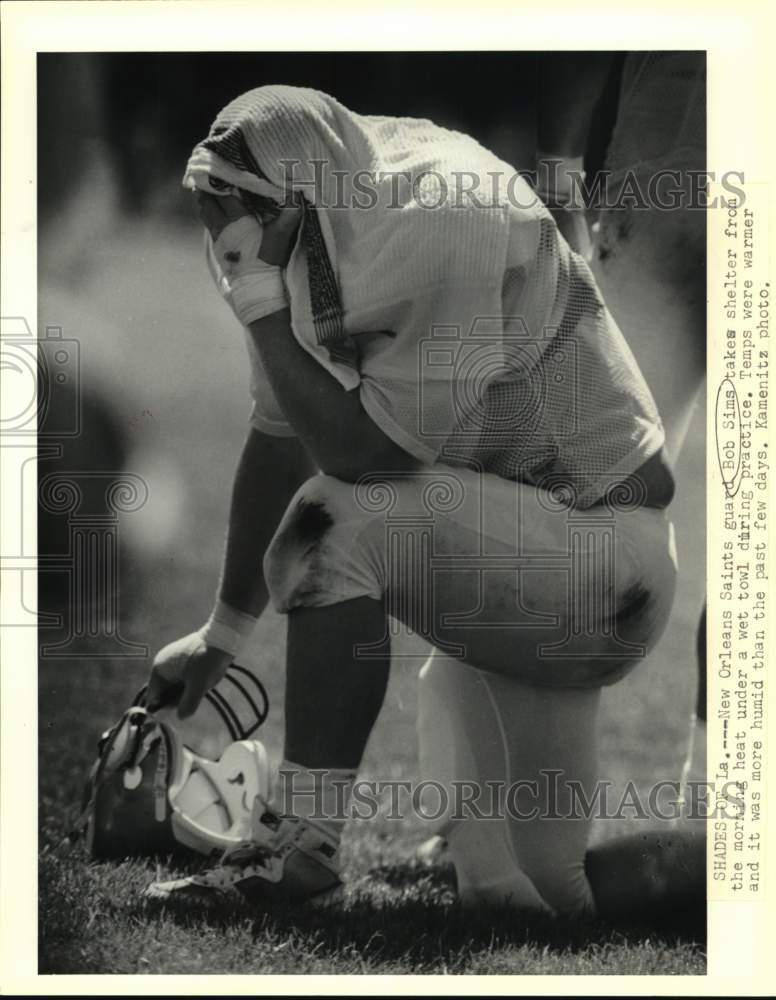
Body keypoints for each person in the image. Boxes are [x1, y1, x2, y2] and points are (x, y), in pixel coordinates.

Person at [142, 84, 679, 914]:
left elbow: (365, 464)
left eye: (233, 208)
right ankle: (736, 886)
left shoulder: (442, 213)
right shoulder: (330, 218)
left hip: (606, 558)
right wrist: (223, 633)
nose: (220, 236)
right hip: (535, 560)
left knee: (340, 521)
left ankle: (302, 847)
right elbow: (280, 435)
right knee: (548, 899)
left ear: (300, 189)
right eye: (209, 204)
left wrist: (259, 310)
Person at [416, 53, 707, 909]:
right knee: (560, 500)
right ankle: (476, 817)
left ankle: (711, 817)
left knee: (568, 501)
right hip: (665, 204)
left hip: (664, 202)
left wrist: (561, 170)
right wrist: (560, 174)